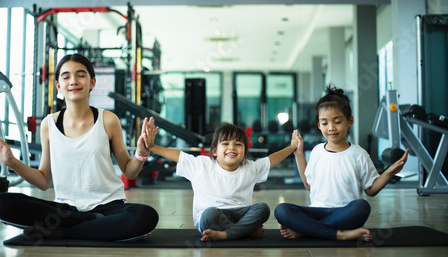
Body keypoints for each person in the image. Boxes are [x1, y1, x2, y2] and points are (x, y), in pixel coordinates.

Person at [0, 53, 159, 242]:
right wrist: (11, 161)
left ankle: (64, 232)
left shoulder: (108, 120)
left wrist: (141, 154)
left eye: (81, 75)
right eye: (66, 77)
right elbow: (44, 181)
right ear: (58, 85)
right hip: (65, 210)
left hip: (109, 207)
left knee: (145, 216)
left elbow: (129, 171)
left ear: (92, 82)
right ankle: (89, 225)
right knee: (2, 202)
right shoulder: (48, 124)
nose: (73, 81)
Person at [274, 85, 409, 241]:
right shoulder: (317, 151)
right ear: (319, 125)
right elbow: (308, 185)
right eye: (324, 123)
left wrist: (389, 172)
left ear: (349, 121)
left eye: (337, 121)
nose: (331, 128)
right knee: (282, 210)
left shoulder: (359, 154)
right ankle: (339, 234)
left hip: (346, 213)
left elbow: (371, 190)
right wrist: (298, 153)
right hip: (317, 211)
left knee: (362, 207)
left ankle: (307, 230)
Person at [143, 121, 301, 242]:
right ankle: (243, 232)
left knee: (263, 208)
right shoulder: (201, 165)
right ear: (214, 151)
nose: (232, 148)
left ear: (245, 152)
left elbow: (271, 160)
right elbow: (177, 155)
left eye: (238, 145)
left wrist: (292, 147)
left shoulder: (250, 167)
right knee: (209, 213)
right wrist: (152, 146)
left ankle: (225, 235)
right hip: (212, 219)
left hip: (239, 215)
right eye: (225, 144)